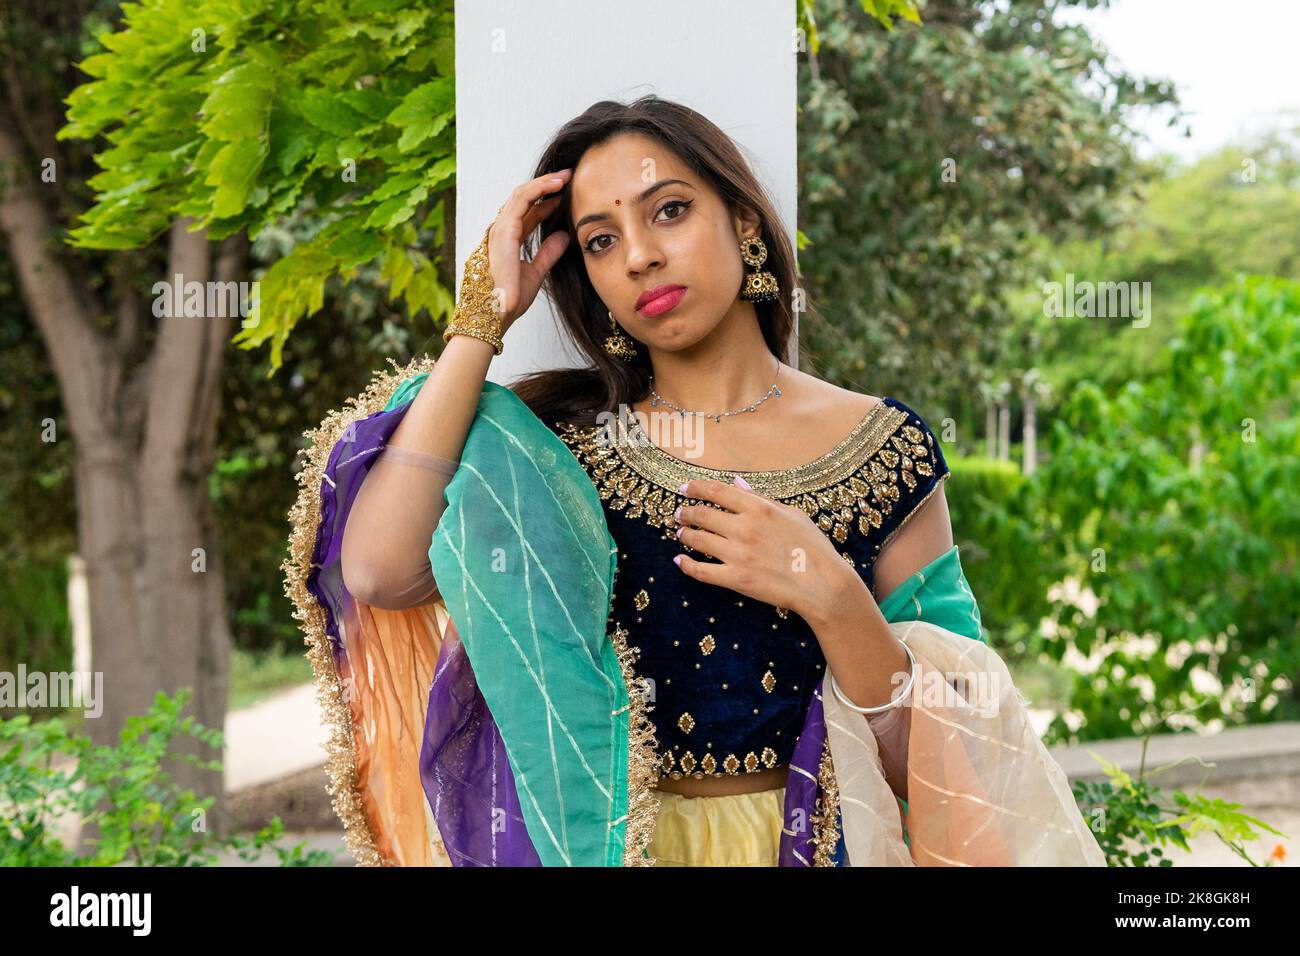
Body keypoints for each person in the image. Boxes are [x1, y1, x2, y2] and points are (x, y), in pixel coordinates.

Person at [285, 95, 1106, 867]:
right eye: (601, 240)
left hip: (814, 845)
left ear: (742, 219)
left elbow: (947, 754)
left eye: (669, 211)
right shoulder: (563, 446)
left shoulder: (883, 449)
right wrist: (483, 319)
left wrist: (828, 593)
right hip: (620, 849)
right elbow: (379, 572)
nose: (640, 255)